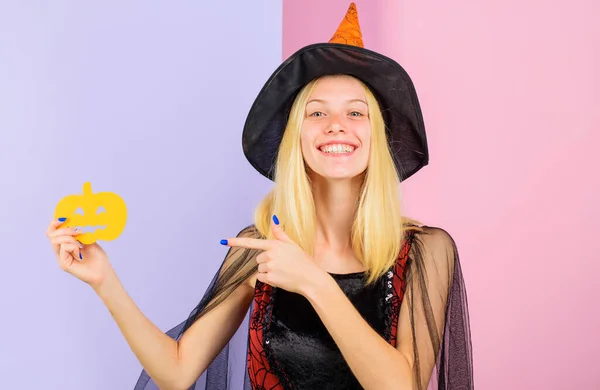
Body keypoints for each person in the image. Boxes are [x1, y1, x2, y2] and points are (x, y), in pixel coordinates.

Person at [45, 3, 473, 389]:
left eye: (356, 112)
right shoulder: (261, 249)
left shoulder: (425, 252)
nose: (336, 125)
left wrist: (313, 282)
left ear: (376, 137)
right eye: (317, 111)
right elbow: (176, 371)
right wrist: (105, 281)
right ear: (296, 138)